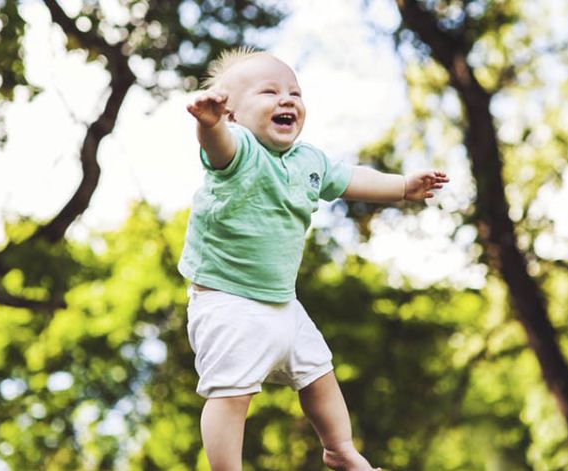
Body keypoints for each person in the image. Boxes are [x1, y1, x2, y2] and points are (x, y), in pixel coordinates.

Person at [179, 47, 448, 471]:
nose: (287, 100)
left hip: (284, 303)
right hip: (228, 303)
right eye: (269, 92)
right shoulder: (239, 151)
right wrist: (209, 125)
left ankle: (339, 449)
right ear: (232, 114)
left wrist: (402, 187)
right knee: (231, 394)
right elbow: (218, 147)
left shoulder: (309, 160)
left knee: (320, 374)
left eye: (295, 93)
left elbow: (352, 178)